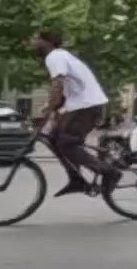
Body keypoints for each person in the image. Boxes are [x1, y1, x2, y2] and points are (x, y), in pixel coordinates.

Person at [30, 31, 117, 197]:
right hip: (79, 105)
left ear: (47, 42)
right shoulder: (61, 56)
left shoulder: (54, 56)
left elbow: (58, 86)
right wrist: (53, 109)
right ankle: (76, 179)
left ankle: (109, 172)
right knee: (54, 139)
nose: (34, 44)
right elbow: (65, 91)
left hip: (87, 106)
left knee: (67, 143)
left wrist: (49, 109)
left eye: (37, 40)